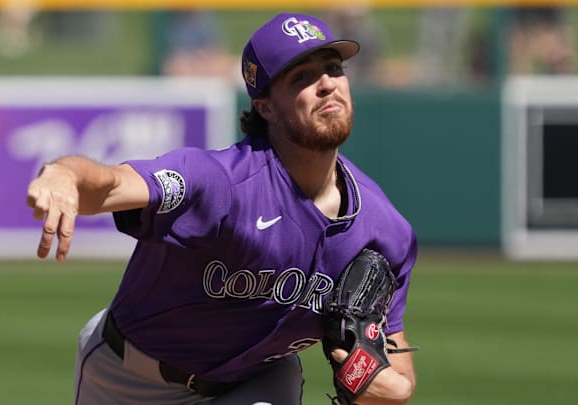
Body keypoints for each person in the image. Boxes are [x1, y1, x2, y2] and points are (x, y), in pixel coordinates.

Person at [26, 12, 417, 405]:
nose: (327, 85)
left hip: (256, 383)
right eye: (302, 77)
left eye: (333, 69)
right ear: (265, 107)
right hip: (129, 377)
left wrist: (388, 388)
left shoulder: (385, 231)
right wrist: (64, 173)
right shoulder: (222, 184)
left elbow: (399, 376)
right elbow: (111, 185)